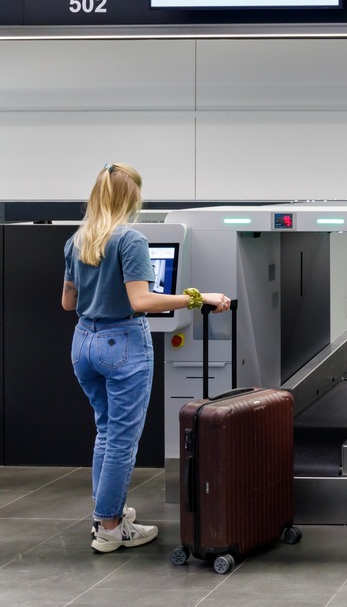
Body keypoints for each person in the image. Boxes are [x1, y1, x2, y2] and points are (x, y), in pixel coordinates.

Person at [62, 163, 231, 553]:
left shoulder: (77, 241)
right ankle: (109, 527)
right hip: (122, 343)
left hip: (83, 342)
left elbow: (68, 302)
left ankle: (108, 512)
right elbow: (142, 301)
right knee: (122, 439)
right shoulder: (131, 240)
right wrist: (197, 297)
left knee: (106, 431)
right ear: (132, 198)